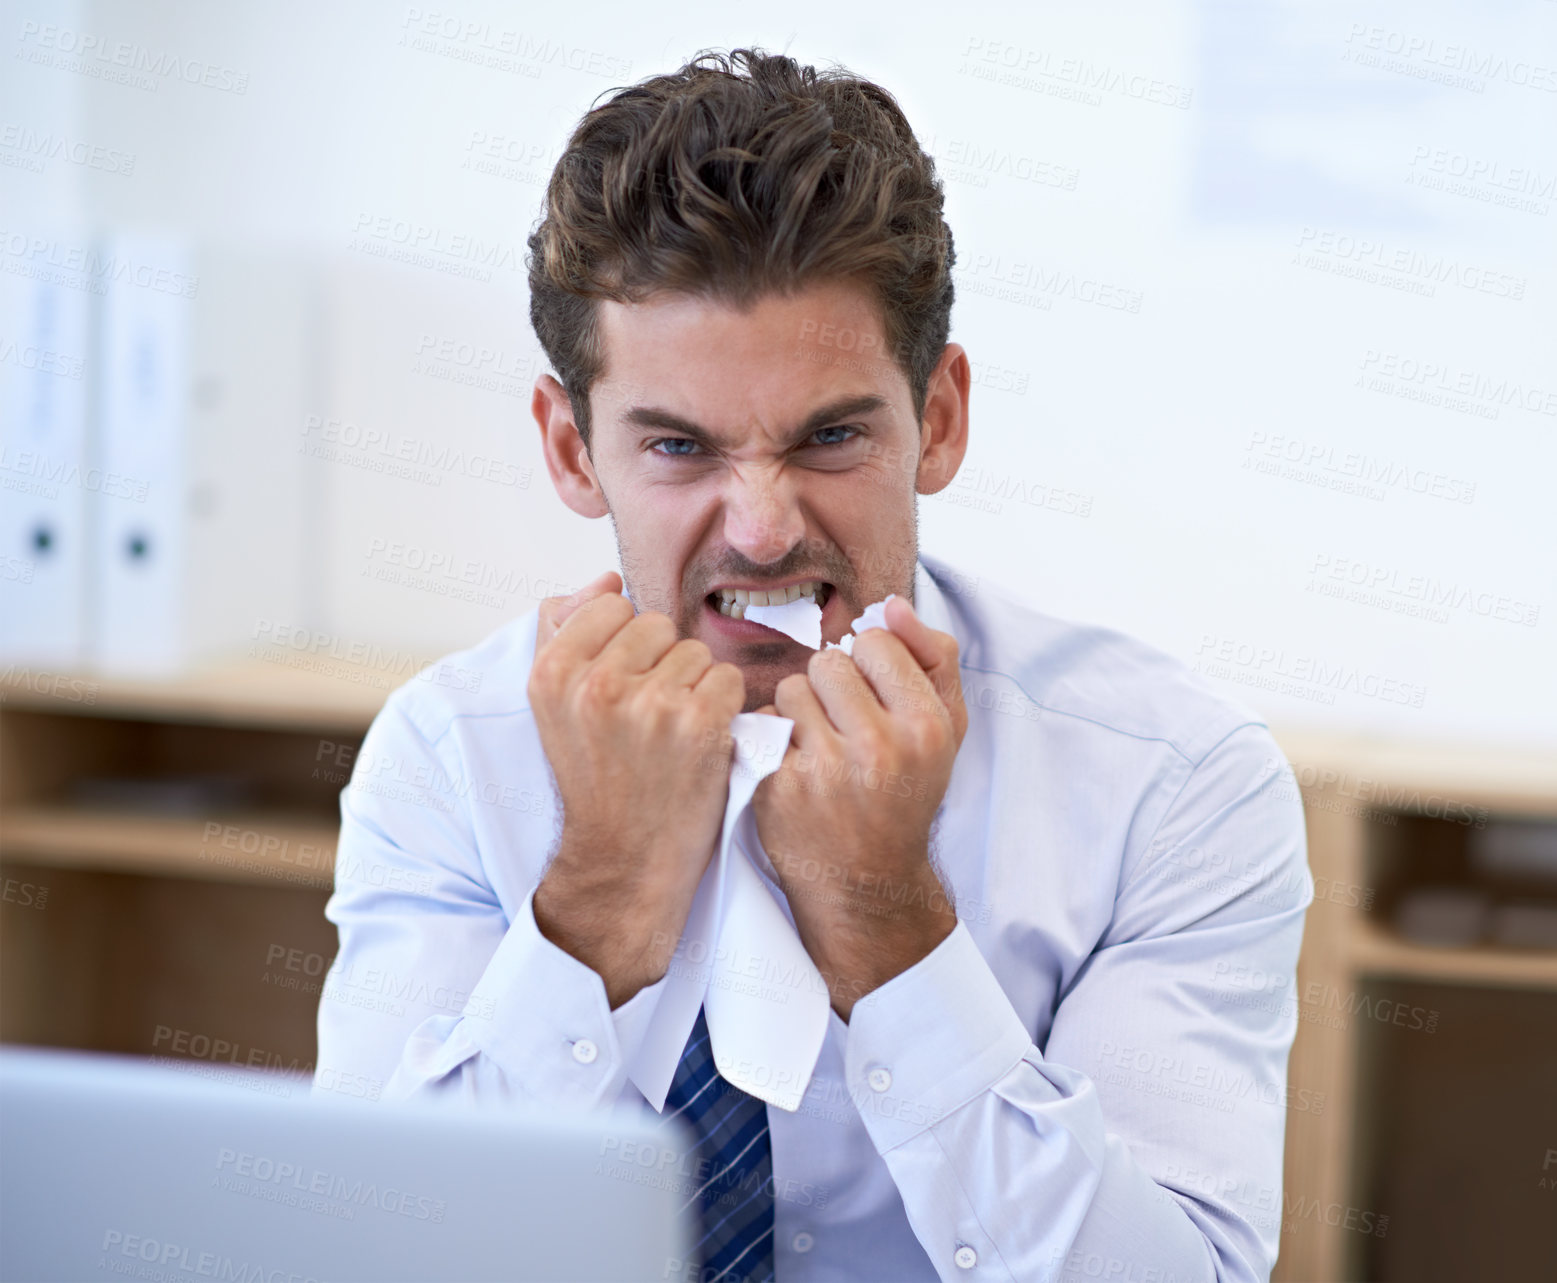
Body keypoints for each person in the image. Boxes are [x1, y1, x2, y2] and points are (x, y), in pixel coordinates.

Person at [317, 47, 1312, 1283]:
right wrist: (604, 895)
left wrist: (887, 919)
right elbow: (377, 1252)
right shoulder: (453, 750)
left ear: (937, 420)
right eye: (678, 446)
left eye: (831, 435)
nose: (762, 527)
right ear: (572, 452)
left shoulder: (1174, 784)